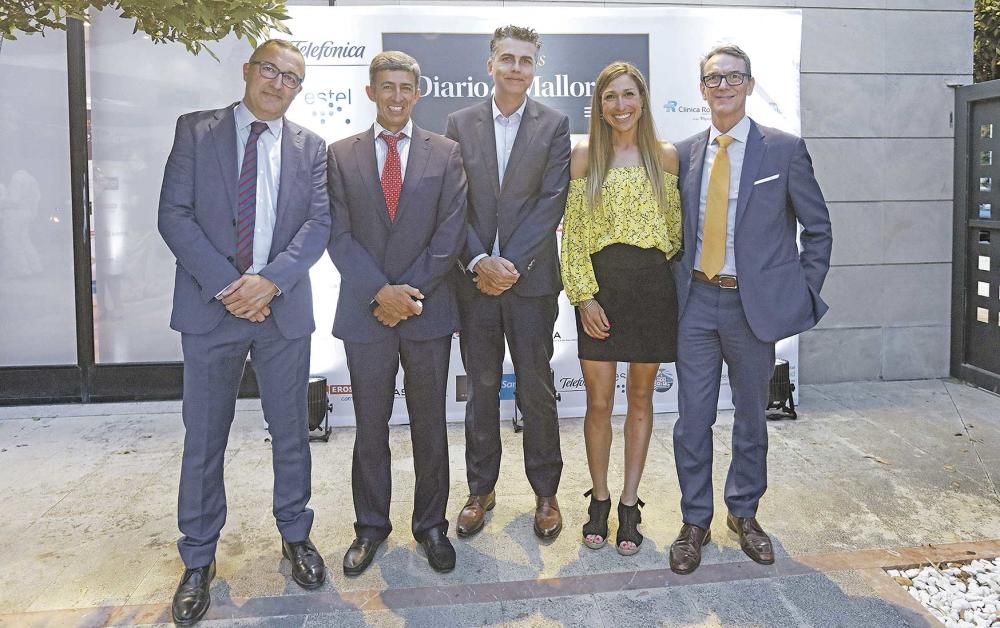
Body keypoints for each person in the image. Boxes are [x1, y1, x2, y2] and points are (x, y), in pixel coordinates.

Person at [158, 39, 331, 625]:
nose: (279, 83)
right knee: (204, 438)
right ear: (248, 72)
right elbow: (173, 215)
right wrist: (232, 287)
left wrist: (269, 283)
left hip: (281, 311)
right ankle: (199, 557)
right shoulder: (196, 131)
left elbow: (317, 224)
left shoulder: (311, 147)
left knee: (290, 433)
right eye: (270, 70)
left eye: (291, 77)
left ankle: (296, 535)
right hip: (212, 312)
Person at [669, 44, 832, 575]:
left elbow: (818, 228)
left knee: (750, 420)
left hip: (752, 307)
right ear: (702, 88)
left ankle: (744, 512)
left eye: (733, 77)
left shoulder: (782, 150)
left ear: (750, 84)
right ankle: (695, 520)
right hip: (695, 302)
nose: (723, 86)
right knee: (692, 420)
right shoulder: (685, 151)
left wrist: (799, 293)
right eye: (713, 78)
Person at [327, 51, 468, 576]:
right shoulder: (340, 155)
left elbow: (450, 232)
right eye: (386, 87)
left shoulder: (446, 152)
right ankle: (370, 526)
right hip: (366, 314)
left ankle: (431, 525)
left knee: (431, 423)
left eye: (405, 87)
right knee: (369, 424)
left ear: (418, 92)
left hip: (426, 311)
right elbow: (336, 234)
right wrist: (379, 293)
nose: (396, 96)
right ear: (370, 92)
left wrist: (406, 294)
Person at [445, 25, 571, 540]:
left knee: (537, 391)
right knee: (480, 390)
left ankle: (546, 493)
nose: (516, 67)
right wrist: (479, 260)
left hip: (531, 282)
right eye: (507, 58)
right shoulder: (459, 122)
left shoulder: (555, 124)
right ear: (490, 64)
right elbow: (452, 200)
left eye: (526, 59)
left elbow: (552, 200)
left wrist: (509, 263)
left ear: (536, 66)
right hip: (474, 283)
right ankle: (480, 489)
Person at [560, 62, 681, 555]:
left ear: (643, 99)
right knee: (599, 404)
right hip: (600, 290)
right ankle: (600, 501)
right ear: (599, 105)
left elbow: (673, 233)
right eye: (610, 97)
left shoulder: (665, 156)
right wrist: (584, 296)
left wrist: (654, 280)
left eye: (629, 95)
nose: (621, 105)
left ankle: (630, 504)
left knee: (640, 400)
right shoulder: (585, 155)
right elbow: (573, 234)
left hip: (650, 289)